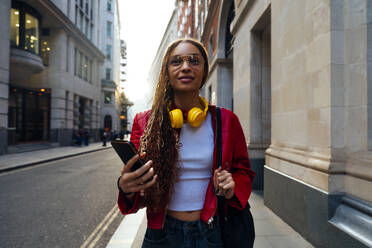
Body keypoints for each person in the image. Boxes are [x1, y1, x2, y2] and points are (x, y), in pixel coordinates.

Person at [117, 38, 255, 248]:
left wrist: (232, 185)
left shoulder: (227, 120)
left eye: (194, 61)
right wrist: (126, 187)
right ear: (166, 72)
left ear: (204, 70)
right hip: (161, 234)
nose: (186, 67)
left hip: (211, 231)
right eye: (176, 61)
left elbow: (243, 171)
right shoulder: (145, 121)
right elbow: (138, 186)